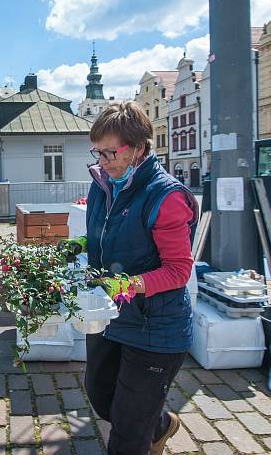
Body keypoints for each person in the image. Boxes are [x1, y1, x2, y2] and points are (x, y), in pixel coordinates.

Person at [84, 103, 197, 455]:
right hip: (112, 316)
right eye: (97, 151)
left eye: (110, 152)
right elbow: (105, 238)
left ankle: (146, 429)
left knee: (128, 431)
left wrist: (126, 286)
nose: (103, 160)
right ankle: (161, 424)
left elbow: (178, 270)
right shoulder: (102, 186)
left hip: (155, 326)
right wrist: (75, 249)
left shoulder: (165, 196)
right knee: (102, 398)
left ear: (138, 148)